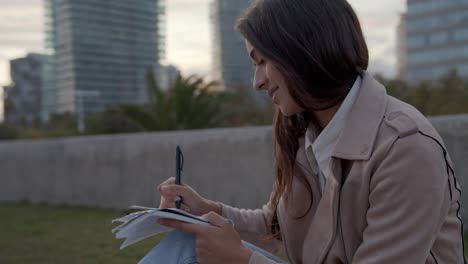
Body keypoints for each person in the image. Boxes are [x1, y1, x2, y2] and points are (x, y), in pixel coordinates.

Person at [142, 0, 466, 263]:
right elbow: (279, 223)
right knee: (187, 244)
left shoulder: (404, 147)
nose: (257, 83)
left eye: (262, 61)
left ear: (300, 50)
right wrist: (210, 211)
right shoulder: (304, 130)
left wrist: (242, 261)